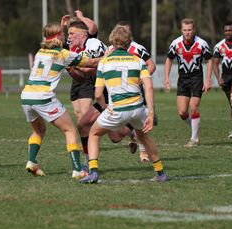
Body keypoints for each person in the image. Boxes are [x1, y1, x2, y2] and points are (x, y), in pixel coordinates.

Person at [79, 25, 168, 184]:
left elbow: (98, 94)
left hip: (117, 109)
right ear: (129, 42)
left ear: (112, 41)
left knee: (93, 134)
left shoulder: (104, 62)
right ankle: (160, 172)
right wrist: (151, 113)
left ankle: (93, 172)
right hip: (138, 108)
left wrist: (105, 107)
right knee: (144, 137)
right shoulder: (138, 61)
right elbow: (148, 86)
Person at [20, 22, 100, 178]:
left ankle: (32, 162)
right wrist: (110, 53)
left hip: (26, 95)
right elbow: (92, 62)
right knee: (70, 130)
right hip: (43, 96)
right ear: (59, 37)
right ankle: (78, 170)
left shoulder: (40, 52)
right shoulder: (63, 54)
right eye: (64, 34)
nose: (66, 36)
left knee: (39, 130)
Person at [164, 18, 212, 147]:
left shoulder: (202, 43)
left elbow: (210, 60)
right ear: (181, 30)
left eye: (189, 30)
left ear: (194, 29)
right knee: (182, 112)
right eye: (185, 30)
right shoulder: (175, 43)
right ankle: (195, 126)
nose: (187, 32)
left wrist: (207, 80)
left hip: (197, 78)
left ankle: (194, 138)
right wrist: (167, 78)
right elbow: (169, 59)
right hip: (183, 79)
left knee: (193, 107)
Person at [65, 20, 107, 167]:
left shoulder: (93, 44)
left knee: (113, 134)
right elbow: (83, 77)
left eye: (71, 33)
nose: (68, 37)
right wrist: (70, 69)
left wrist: (74, 64)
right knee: (83, 126)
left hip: (116, 91)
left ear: (83, 34)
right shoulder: (82, 51)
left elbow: (95, 67)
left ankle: (142, 118)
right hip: (107, 93)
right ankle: (88, 162)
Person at [113, 21, 157, 162]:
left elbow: (151, 65)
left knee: (141, 120)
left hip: (136, 91)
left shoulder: (137, 48)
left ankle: (143, 153)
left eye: (125, 31)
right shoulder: (111, 49)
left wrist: (140, 79)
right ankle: (132, 135)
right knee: (117, 133)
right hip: (118, 93)